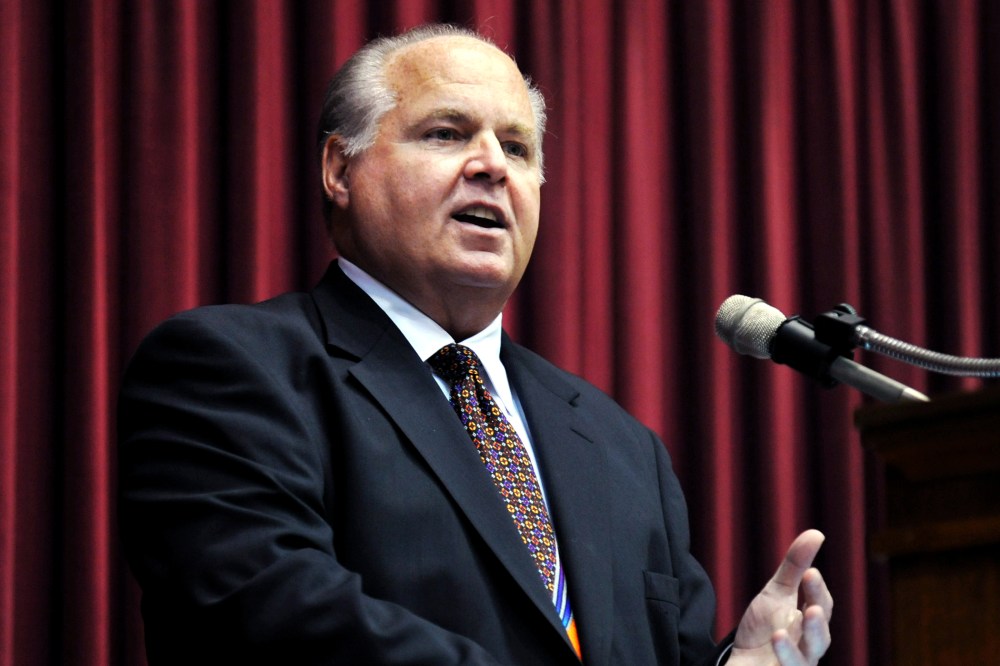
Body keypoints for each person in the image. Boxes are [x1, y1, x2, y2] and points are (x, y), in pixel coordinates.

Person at [118, 24, 832, 666]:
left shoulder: (620, 446)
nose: (492, 165)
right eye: (446, 134)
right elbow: (277, 621)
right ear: (340, 170)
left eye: (517, 148)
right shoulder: (230, 369)